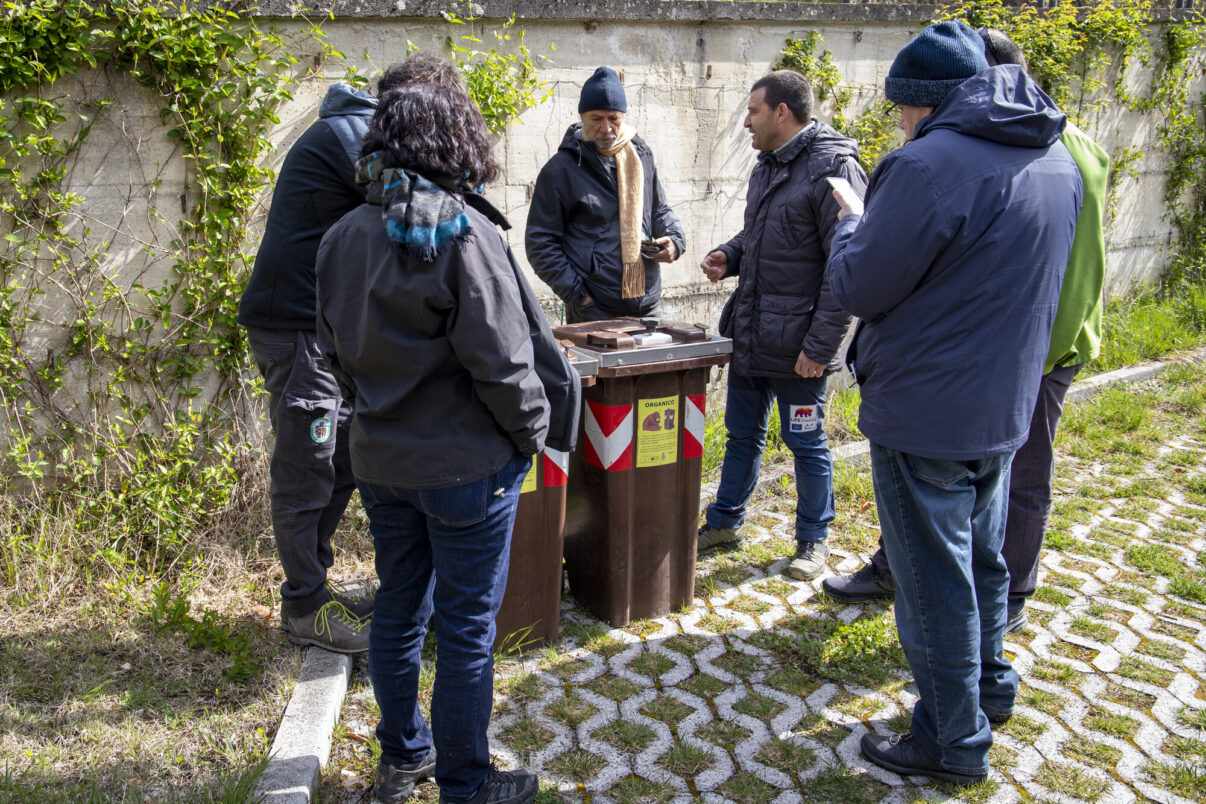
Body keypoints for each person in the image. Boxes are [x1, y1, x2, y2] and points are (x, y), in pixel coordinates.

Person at [825, 21, 1082, 785]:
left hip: (925, 414)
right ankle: (991, 688)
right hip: (1004, 403)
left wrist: (851, 223)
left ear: (927, 103)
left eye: (903, 109)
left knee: (935, 584)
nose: (899, 123)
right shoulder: (1054, 152)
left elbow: (861, 284)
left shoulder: (925, 164)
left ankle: (951, 741)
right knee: (983, 561)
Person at [316, 82, 576, 804]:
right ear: (456, 143)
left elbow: (330, 348)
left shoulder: (340, 236)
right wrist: (531, 438)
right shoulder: (463, 233)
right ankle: (466, 783)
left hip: (382, 461)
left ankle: (402, 757)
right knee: (465, 628)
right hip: (466, 468)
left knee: (400, 606)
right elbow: (504, 363)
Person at [238, 54, 465, 653]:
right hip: (293, 325)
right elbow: (417, 194)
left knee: (339, 456)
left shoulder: (358, 134)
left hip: (320, 325)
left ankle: (316, 585)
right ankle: (304, 606)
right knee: (307, 462)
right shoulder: (349, 136)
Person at [696, 71, 867, 582]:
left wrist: (818, 347)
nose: (746, 122)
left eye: (752, 111)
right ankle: (725, 523)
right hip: (753, 334)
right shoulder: (767, 166)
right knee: (741, 434)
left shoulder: (835, 170)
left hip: (799, 350)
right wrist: (730, 254)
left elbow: (846, 269)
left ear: (781, 113)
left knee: (805, 443)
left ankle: (813, 541)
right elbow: (762, 236)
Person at [525, 66, 686, 323]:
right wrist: (579, 296)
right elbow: (540, 243)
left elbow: (658, 209)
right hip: (594, 307)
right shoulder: (561, 170)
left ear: (623, 116)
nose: (606, 128)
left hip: (647, 301)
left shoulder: (640, 155)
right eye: (597, 118)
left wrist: (675, 241)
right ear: (582, 116)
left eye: (614, 118)